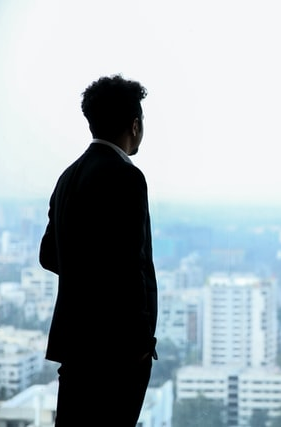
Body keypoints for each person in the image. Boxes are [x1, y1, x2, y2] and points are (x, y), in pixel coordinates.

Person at [39, 74, 158, 426]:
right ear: (134, 125)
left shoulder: (69, 176)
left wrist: (83, 272)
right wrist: (138, 346)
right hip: (116, 353)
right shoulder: (125, 176)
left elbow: (49, 254)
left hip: (75, 345)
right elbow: (128, 265)